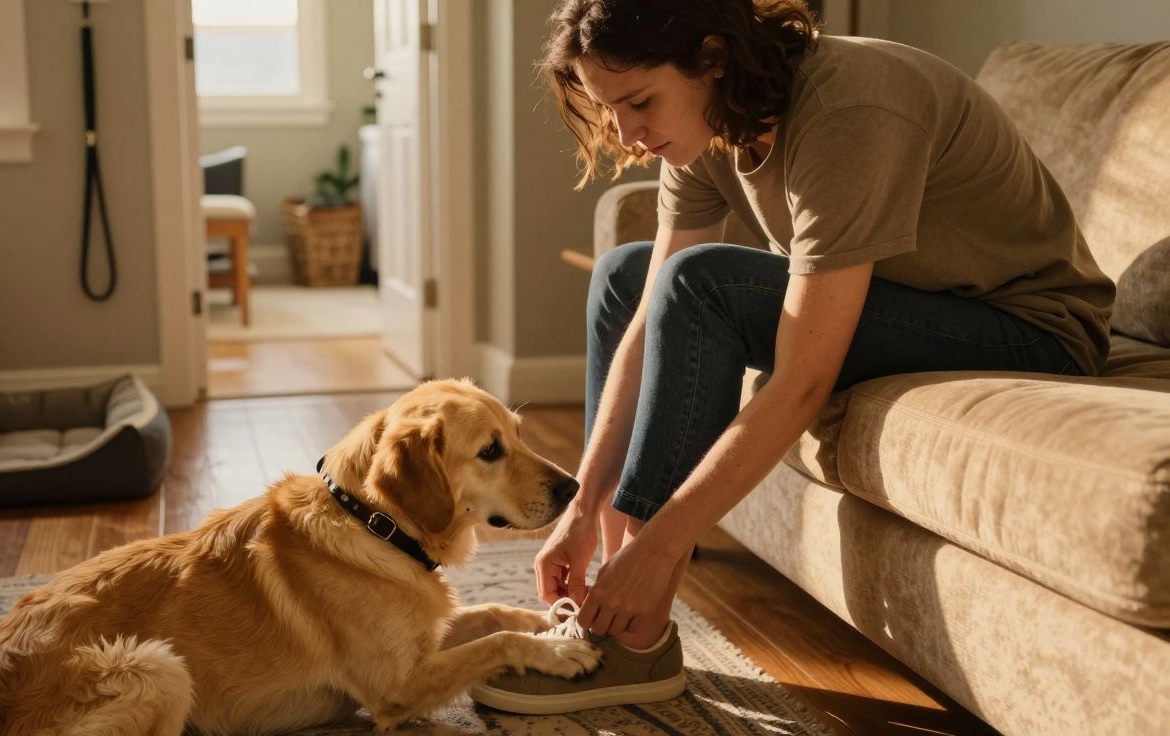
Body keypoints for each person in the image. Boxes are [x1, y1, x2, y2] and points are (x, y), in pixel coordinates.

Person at [468, 0, 1114, 715]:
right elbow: (647, 311)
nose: (627, 132)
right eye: (609, 109)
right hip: (912, 302)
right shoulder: (707, 123)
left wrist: (661, 545)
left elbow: (803, 381)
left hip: (1032, 328)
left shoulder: (851, 108)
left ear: (711, 58)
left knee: (701, 283)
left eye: (640, 101)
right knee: (626, 274)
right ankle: (609, 597)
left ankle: (636, 632)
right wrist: (583, 508)